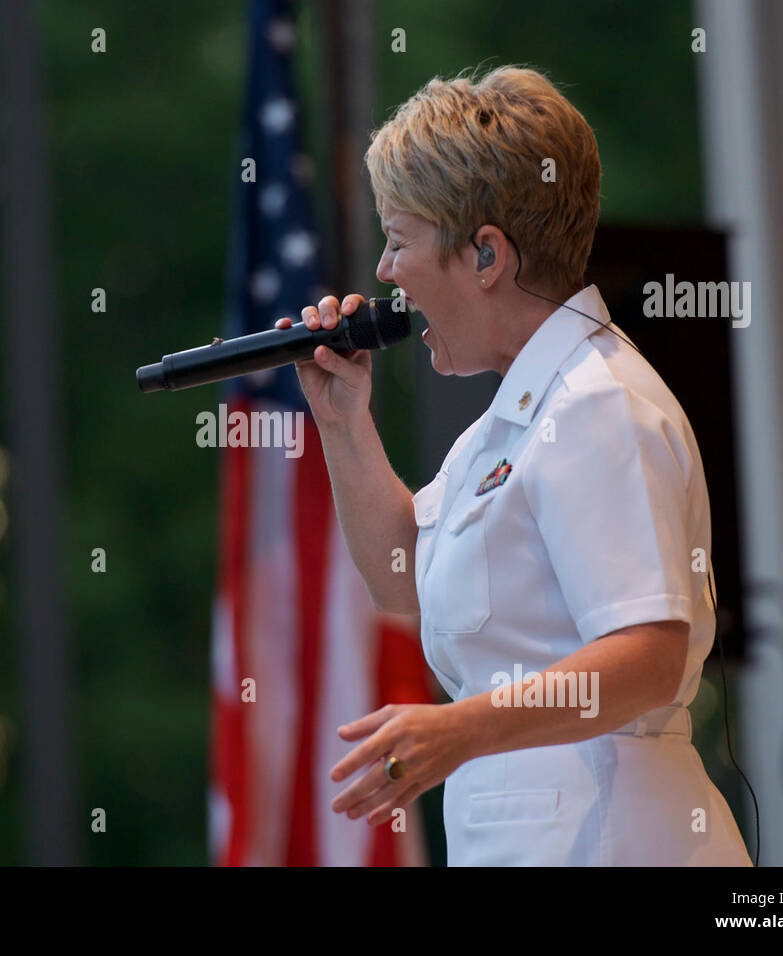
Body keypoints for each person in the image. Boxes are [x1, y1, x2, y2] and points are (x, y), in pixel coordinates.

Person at [273, 65, 752, 865]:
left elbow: (650, 654)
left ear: (485, 254)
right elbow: (402, 578)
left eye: (399, 242)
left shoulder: (592, 404)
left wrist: (462, 727)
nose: (385, 275)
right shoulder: (513, 419)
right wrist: (341, 420)